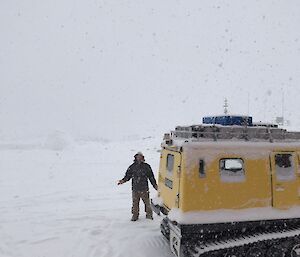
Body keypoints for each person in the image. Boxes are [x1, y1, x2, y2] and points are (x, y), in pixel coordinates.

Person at [118, 152, 158, 221]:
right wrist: (123, 181)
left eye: (140, 157)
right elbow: (128, 176)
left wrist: (155, 185)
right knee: (135, 204)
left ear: (143, 157)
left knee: (147, 204)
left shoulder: (146, 166)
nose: (139, 158)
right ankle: (135, 215)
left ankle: (149, 215)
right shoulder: (132, 167)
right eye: (138, 157)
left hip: (144, 189)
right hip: (135, 189)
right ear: (135, 157)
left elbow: (151, 177)